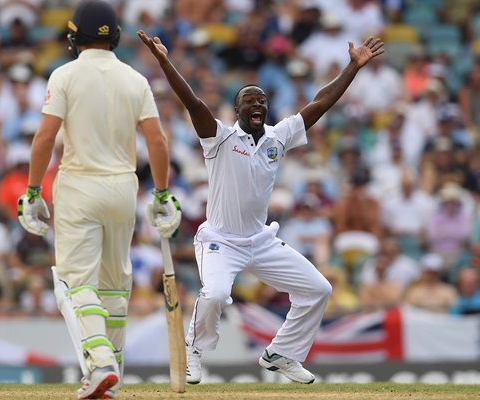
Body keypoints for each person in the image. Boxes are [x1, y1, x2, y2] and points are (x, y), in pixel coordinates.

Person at [139, 29, 384, 384]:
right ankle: (193, 349)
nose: (257, 105)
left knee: (319, 289)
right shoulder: (219, 137)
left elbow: (320, 102)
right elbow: (192, 101)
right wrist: (165, 62)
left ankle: (281, 353)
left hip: (261, 241)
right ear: (236, 110)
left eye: (262, 101)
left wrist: (352, 68)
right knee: (217, 293)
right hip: (220, 241)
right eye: (249, 101)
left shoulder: (277, 137)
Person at [16, 1, 181, 399]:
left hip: (79, 185)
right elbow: (157, 140)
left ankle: (101, 362)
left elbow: (44, 139)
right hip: (123, 187)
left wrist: (32, 191)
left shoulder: (65, 74)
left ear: (73, 38)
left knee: (75, 283)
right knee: (112, 286)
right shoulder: (135, 79)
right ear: (117, 38)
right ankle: (111, 377)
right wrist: (162, 193)